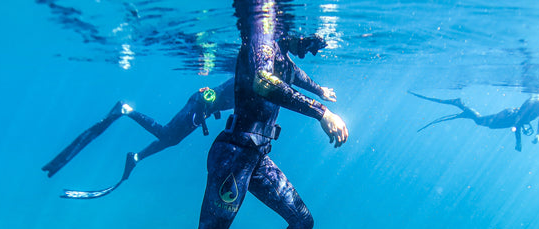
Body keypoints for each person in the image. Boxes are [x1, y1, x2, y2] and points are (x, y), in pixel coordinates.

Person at [116, 0, 348, 229]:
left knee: (302, 221)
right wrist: (320, 111)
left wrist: (317, 89)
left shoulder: (277, 49)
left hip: (254, 157)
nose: (309, 47)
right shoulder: (262, 38)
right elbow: (264, 82)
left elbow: (290, 72)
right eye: (309, 41)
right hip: (234, 156)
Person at [41, 35, 330, 188]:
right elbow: (291, 75)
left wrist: (319, 92)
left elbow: (296, 75)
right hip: (200, 103)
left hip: (206, 105)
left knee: (171, 139)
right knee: (169, 136)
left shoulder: (279, 65)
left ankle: (137, 156)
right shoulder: (260, 62)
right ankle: (126, 111)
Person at [410, 90, 539, 151]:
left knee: (481, 122)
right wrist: (518, 142)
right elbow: (517, 122)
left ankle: (464, 110)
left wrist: (538, 134)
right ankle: (460, 104)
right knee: (481, 121)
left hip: (514, 120)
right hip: (510, 116)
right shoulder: (534, 101)